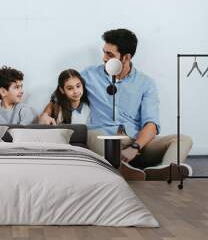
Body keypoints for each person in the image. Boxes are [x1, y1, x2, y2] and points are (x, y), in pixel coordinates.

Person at [82, 28, 193, 180]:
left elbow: (151, 124)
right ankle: (120, 170)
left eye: (110, 54)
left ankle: (164, 171)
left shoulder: (145, 83)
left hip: (137, 143)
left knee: (183, 140)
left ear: (126, 57)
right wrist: (48, 112)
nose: (104, 58)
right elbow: (61, 93)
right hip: (104, 140)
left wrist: (135, 147)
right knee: (91, 133)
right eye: (104, 52)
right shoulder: (89, 75)